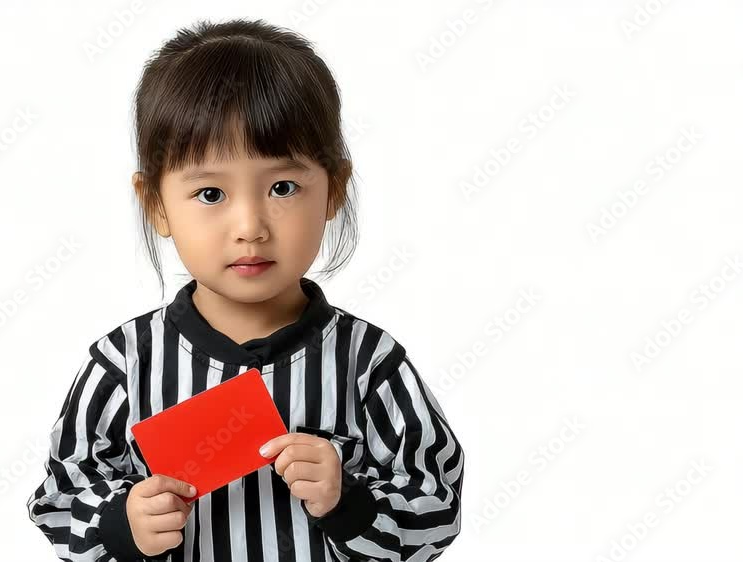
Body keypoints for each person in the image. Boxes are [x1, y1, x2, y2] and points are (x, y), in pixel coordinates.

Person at [27, 18, 464, 562]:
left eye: (283, 187)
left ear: (334, 190)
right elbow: (59, 499)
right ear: (156, 204)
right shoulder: (124, 364)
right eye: (211, 193)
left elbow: (438, 507)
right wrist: (123, 525)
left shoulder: (368, 363)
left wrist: (349, 503)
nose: (250, 226)